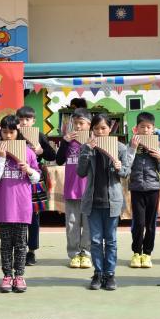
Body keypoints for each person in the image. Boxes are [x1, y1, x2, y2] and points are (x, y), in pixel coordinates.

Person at [77, 113, 135, 291]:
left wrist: (119, 167)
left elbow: (125, 173)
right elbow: (81, 172)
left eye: (103, 128)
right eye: (96, 128)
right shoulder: (87, 147)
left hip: (112, 201)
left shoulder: (120, 147)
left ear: (110, 128)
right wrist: (87, 151)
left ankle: (109, 274)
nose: (100, 132)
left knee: (110, 240)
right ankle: (98, 273)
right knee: (95, 241)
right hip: (93, 201)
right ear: (92, 130)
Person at [0, 115, 41, 293]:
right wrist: (2, 159)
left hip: (22, 206)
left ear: (18, 132)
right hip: (3, 206)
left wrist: (29, 170)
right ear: (0, 133)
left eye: (12, 132)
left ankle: (19, 276)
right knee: (5, 244)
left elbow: (36, 178)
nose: (8, 136)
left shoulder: (28, 152)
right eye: (5, 132)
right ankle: (7, 276)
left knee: (21, 244)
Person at [16, 106, 56, 266]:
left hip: (35, 179)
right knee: (18, 215)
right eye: (21, 119)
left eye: (27, 119)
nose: (24, 122)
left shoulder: (39, 135)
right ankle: (19, 248)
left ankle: (31, 251)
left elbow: (52, 155)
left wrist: (40, 151)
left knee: (34, 216)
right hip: (16, 179)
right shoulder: (13, 134)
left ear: (33, 121)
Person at [55, 108, 92, 268]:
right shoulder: (68, 141)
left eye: (81, 123)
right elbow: (58, 160)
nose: (77, 126)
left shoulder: (94, 141)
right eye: (75, 123)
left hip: (90, 191)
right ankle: (74, 254)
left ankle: (87, 253)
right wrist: (64, 142)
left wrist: (90, 146)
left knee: (89, 225)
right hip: (71, 189)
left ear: (89, 125)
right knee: (72, 224)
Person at [128, 112, 160, 269]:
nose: (145, 130)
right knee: (138, 223)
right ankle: (136, 253)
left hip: (153, 188)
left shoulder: (156, 144)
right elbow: (126, 165)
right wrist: (132, 149)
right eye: (142, 127)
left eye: (148, 127)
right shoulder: (131, 144)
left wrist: (159, 157)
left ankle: (147, 254)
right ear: (136, 128)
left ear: (153, 129)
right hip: (136, 188)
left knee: (150, 224)